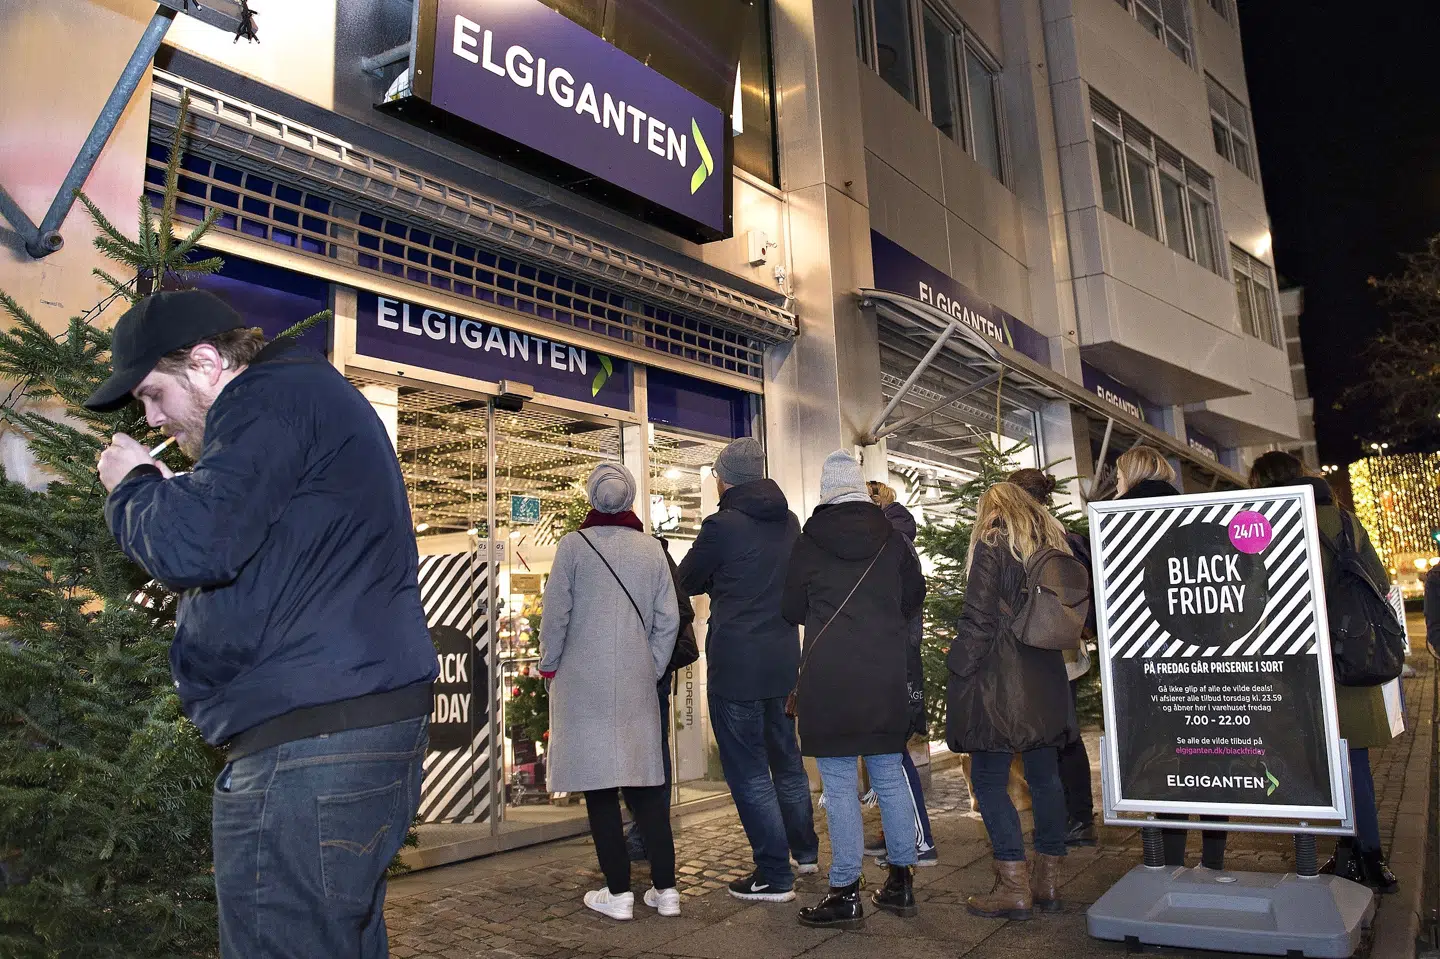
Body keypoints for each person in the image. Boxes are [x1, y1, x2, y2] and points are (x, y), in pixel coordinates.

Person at [90, 289, 439, 958]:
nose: (153, 417)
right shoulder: (295, 400)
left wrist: (133, 487)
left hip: (308, 742)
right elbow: (245, 541)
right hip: (344, 723)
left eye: (154, 394)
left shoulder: (264, 400)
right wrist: (175, 494)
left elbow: (195, 548)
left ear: (205, 363)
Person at [783, 452, 927, 929]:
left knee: (840, 785)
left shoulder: (809, 541)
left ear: (826, 490)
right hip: (883, 673)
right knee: (889, 775)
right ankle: (901, 881)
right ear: (861, 489)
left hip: (829, 678)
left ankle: (845, 890)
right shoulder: (893, 538)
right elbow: (914, 596)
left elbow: (791, 608)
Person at [1248, 451, 1399, 893]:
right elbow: (1380, 581)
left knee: (1316, 764)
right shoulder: (1346, 520)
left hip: (1308, 663)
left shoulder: (1276, 521)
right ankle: (1370, 858)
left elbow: (1266, 597)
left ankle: (1344, 855)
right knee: (1355, 762)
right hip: (1354, 653)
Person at [678, 437, 820, 901]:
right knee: (787, 761)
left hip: (737, 663)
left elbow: (686, 579)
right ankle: (805, 852)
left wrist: (720, 581)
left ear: (725, 479)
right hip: (783, 660)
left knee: (749, 770)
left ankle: (774, 874)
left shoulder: (721, 526)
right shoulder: (789, 520)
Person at [538, 463, 682, 920]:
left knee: (599, 789)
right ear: (631, 498)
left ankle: (618, 893)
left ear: (592, 498)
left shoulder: (573, 547)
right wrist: (650, 664)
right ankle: (667, 890)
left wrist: (549, 663)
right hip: (636, 681)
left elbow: (555, 613)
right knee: (646, 788)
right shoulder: (650, 549)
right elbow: (669, 619)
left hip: (584, 685)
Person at [947, 482, 1072, 920]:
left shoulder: (992, 539)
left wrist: (959, 666)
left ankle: (1014, 887)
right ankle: (1048, 883)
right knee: (1045, 776)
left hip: (1000, 678)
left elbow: (979, 615)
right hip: (1045, 672)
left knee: (988, 779)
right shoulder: (1051, 541)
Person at [1112, 447, 1229, 871]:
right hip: (1204, 658)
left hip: (1149, 664)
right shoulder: (1195, 514)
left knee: (1165, 761)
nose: (1116, 483)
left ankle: (1171, 862)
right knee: (1211, 759)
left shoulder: (1119, 520)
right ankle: (1213, 862)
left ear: (1129, 474)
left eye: (1118, 475)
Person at [1008, 468, 1098, 848]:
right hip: (1064, 651)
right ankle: (1075, 817)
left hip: (1047, 653)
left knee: (1058, 738)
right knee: (1063, 735)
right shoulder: (1056, 531)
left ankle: (1075, 818)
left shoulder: (1034, 536)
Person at [862, 481, 938, 867]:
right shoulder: (895, 538)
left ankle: (919, 842)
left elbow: (905, 600)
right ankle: (900, 834)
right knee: (889, 754)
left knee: (893, 755)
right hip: (895, 657)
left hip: (893, 660)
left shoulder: (892, 541)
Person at [624, 535, 696, 862]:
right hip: (643, 671)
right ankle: (646, 832)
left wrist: (653, 662)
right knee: (643, 752)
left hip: (649, 672)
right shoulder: (652, 555)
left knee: (650, 753)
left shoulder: (651, 555)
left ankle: (647, 834)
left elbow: (678, 612)